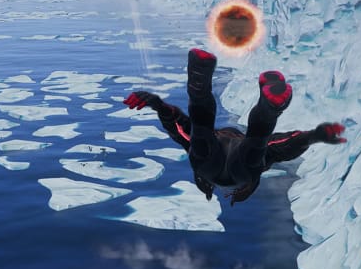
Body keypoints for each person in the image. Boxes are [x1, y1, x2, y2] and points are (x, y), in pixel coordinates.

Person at [124, 47, 346, 205]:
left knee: (251, 143)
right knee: (209, 135)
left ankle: (269, 107)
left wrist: (313, 136)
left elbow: (284, 145)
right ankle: (201, 80)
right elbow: (178, 127)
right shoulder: (225, 142)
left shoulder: (232, 144)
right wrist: (157, 104)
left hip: (235, 171)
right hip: (221, 168)